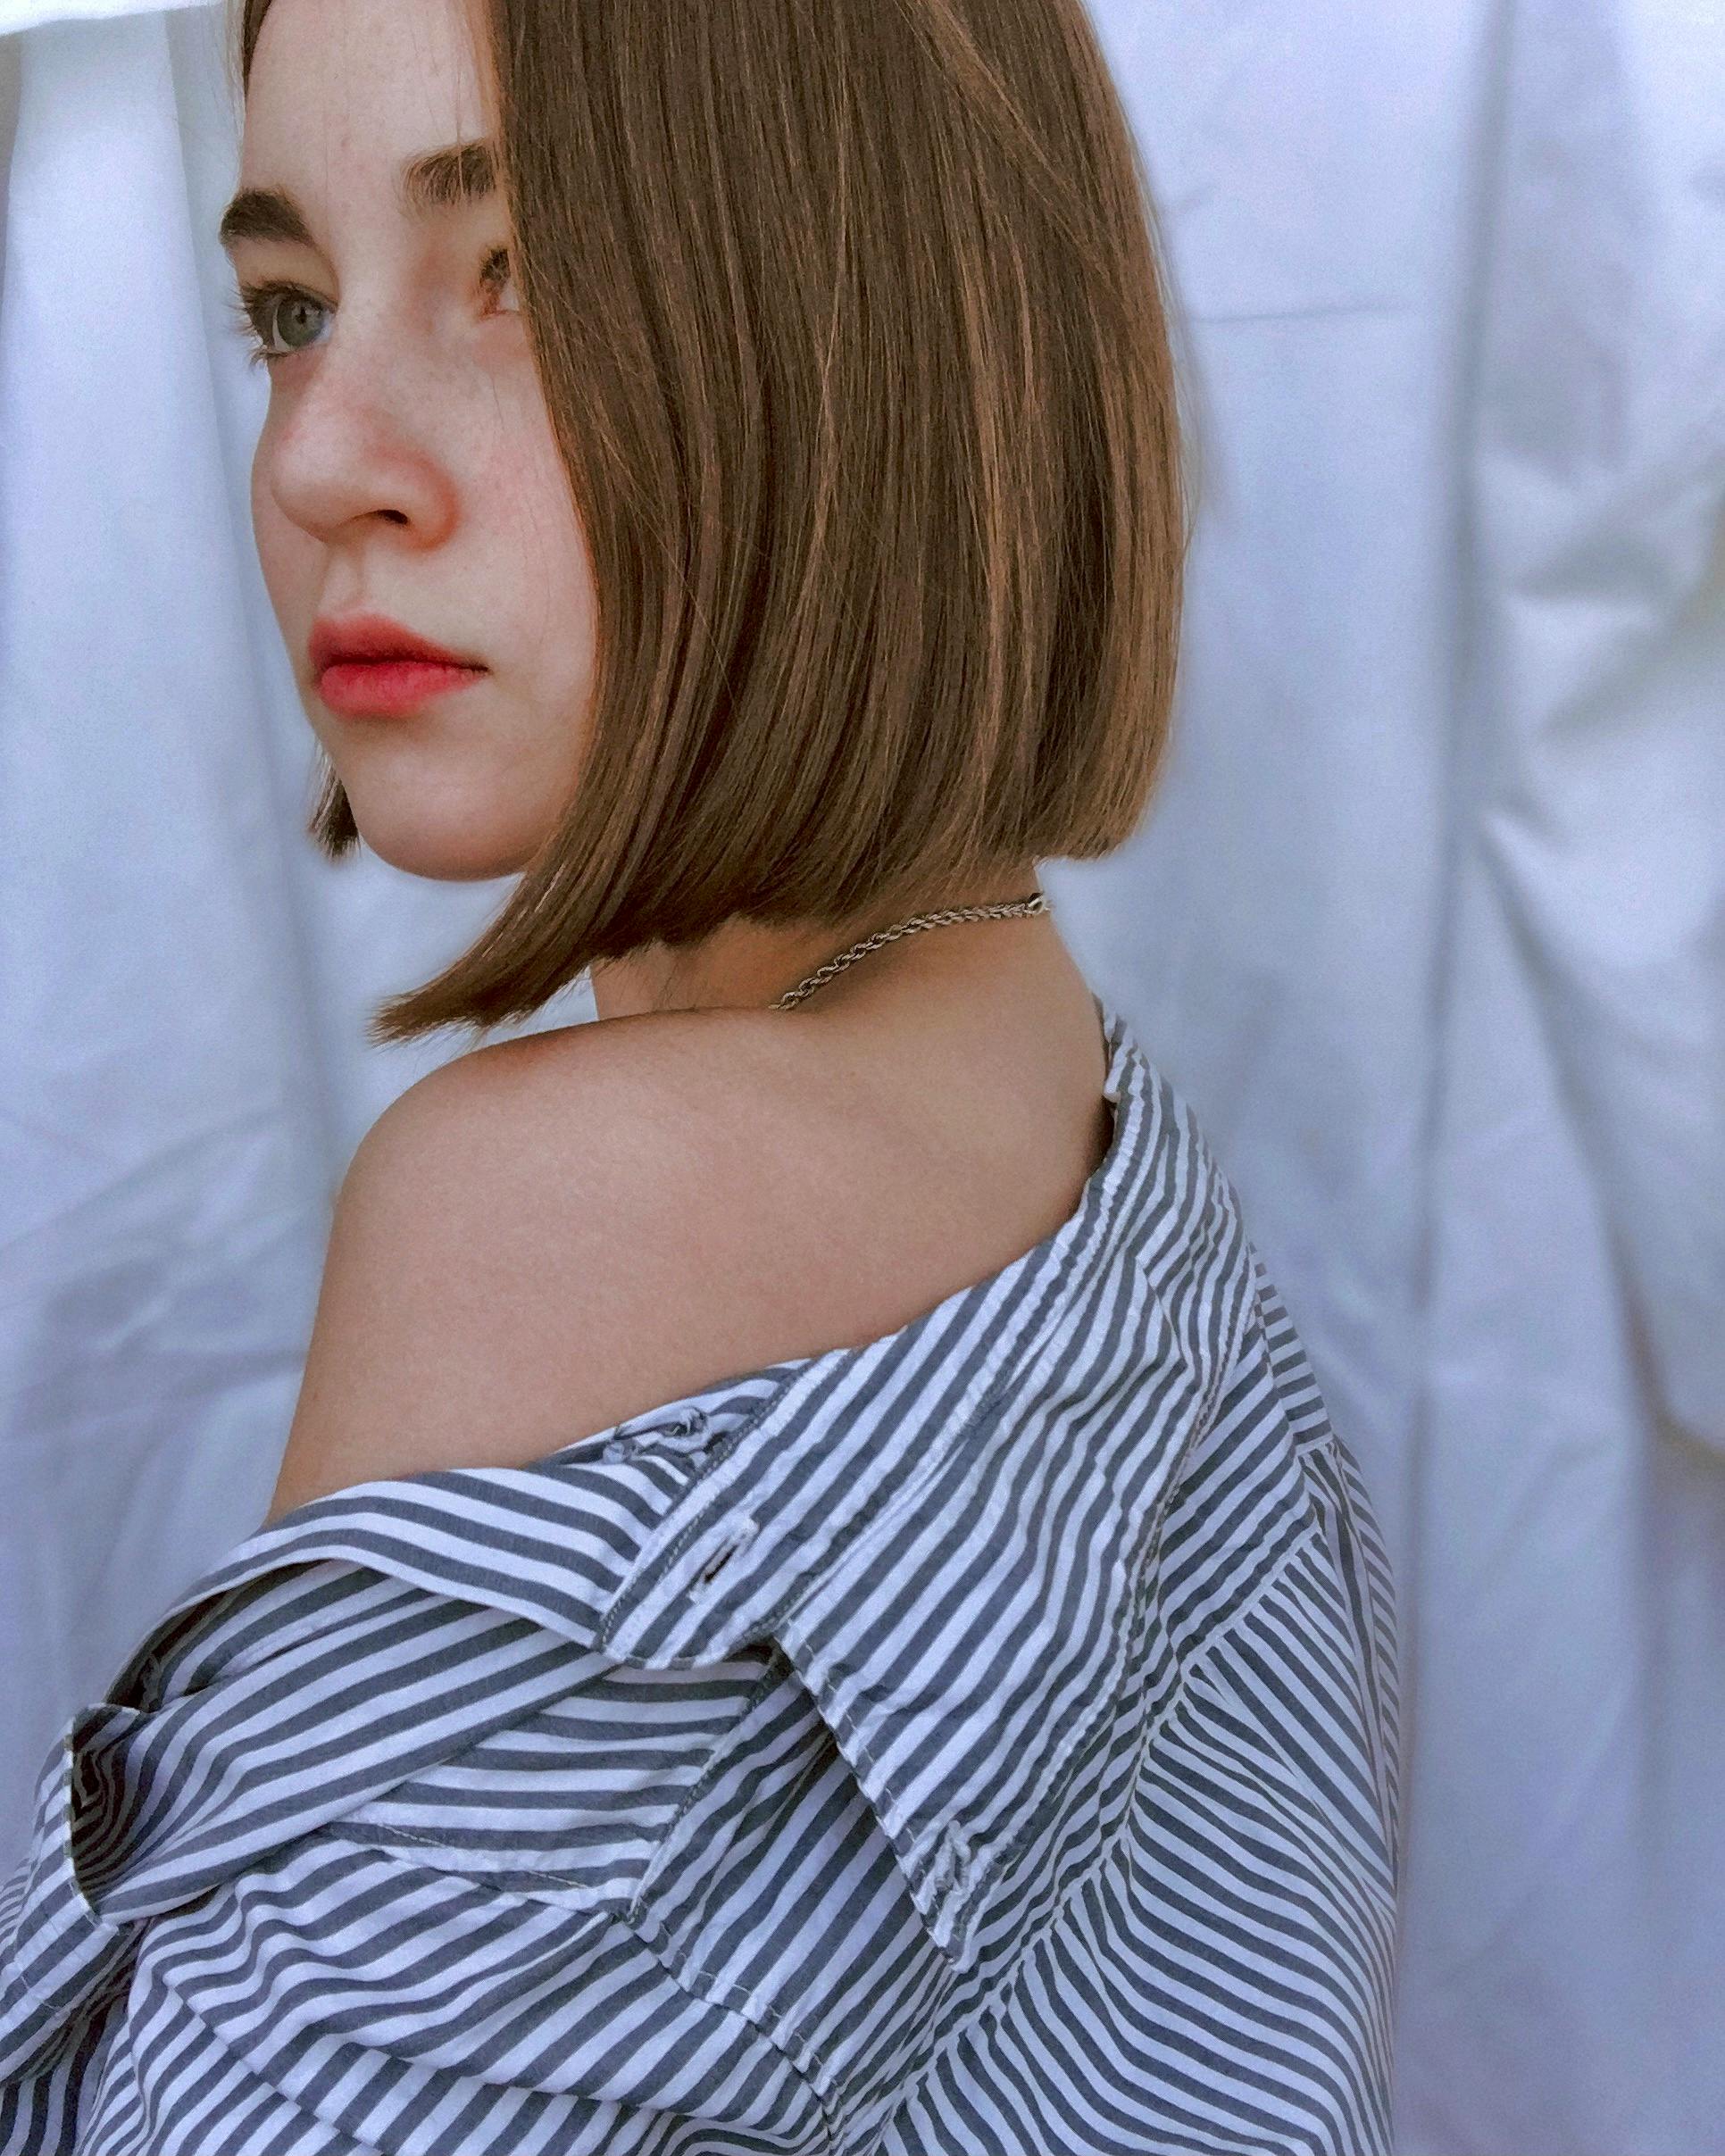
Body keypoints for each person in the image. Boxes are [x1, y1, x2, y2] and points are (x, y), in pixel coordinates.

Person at [0, 0, 1401, 2148]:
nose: (312, 456)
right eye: (287, 304)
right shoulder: (1063, 1098)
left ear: (869, 325)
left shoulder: (566, 1207)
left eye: (524, 270)